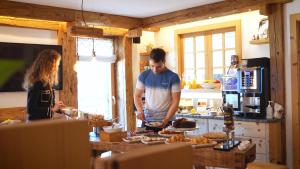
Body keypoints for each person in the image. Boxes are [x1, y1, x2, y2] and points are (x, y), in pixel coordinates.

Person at [134, 48, 181, 130]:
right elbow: (137, 96)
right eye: (152, 66)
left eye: (158, 66)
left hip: (167, 121)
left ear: (164, 62)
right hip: (148, 120)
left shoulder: (173, 77)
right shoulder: (143, 75)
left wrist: (166, 119)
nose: (155, 70)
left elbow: (175, 101)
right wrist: (140, 111)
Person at [23, 49, 64, 121]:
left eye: (57, 65)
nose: (56, 68)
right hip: (37, 125)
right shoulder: (37, 82)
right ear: (47, 64)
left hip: (46, 123)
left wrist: (58, 108)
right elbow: (31, 109)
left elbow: (47, 105)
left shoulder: (47, 82)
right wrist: (53, 109)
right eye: (55, 65)